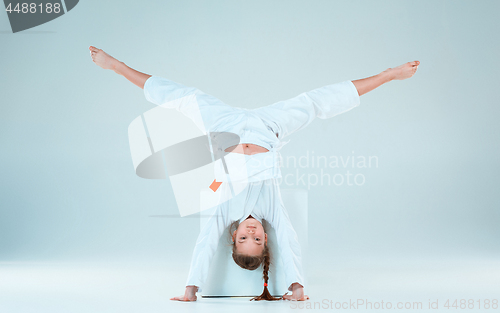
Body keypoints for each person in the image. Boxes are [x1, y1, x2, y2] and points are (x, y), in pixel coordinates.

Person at [89, 46, 419, 301]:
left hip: (223, 125)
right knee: (315, 102)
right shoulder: (270, 210)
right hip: (268, 129)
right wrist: (297, 286)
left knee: (179, 97)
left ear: (233, 237)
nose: (251, 232)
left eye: (244, 238)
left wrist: (191, 289)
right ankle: (390, 75)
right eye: (258, 239)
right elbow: (288, 241)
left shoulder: (224, 211)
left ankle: (115, 66)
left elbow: (204, 244)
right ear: (265, 240)